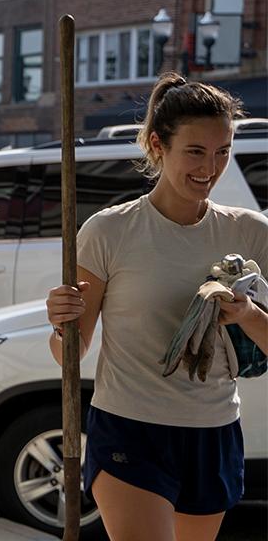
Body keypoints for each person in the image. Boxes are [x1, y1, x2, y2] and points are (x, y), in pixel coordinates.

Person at [47, 75, 267, 540]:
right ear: (157, 144)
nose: (210, 167)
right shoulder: (109, 231)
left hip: (214, 429)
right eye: (195, 151)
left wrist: (247, 314)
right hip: (131, 429)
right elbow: (72, 349)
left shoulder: (251, 232)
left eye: (223, 151)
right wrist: (61, 321)